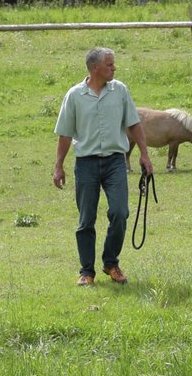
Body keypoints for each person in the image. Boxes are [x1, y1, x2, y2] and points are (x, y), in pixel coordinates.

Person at [52, 46, 154, 285]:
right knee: (86, 218)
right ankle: (86, 271)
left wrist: (145, 155)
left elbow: (134, 124)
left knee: (120, 213)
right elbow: (65, 134)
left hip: (115, 162)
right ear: (95, 67)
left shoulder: (120, 91)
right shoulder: (74, 95)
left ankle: (111, 263)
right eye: (109, 64)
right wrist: (59, 166)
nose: (114, 68)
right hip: (86, 163)